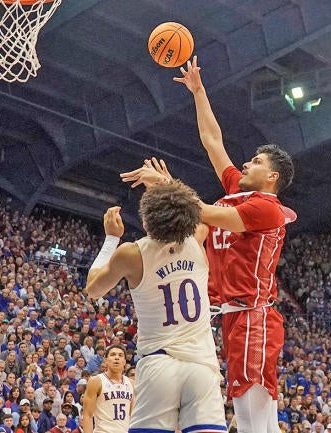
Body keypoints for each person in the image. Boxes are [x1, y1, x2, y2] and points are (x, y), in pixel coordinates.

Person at [122, 55, 296, 433]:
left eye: (255, 161)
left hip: (253, 315)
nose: (246, 164)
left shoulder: (267, 208)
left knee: (253, 417)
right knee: (251, 414)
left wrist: (166, 186)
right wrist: (199, 91)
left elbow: (204, 213)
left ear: (273, 176)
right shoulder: (239, 191)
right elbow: (212, 140)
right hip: (232, 315)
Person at [84, 181, 225, 433]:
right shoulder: (197, 240)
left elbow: (93, 288)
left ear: (146, 220)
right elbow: (198, 212)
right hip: (202, 364)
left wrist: (111, 239)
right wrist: (165, 183)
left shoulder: (131, 253)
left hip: (159, 363)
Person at [79, 345, 133, 433]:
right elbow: (87, 415)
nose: (116, 357)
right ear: (106, 361)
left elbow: (132, 415)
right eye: (113, 354)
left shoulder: (131, 383)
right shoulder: (96, 381)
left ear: (124, 362)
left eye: (120, 355)